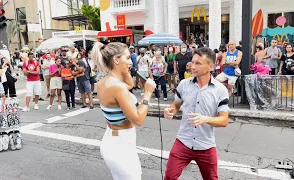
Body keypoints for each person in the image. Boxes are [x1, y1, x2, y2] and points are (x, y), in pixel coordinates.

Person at [91, 42, 156, 180]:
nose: (130, 61)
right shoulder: (118, 87)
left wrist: (125, 69)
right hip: (120, 146)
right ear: (116, 59)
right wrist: (147, 95)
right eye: (127, 58)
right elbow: (138, 120)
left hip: (114, 140)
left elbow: (130, 85)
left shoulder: (104, 82)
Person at [164, 47, 230, 180]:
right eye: (192, 62)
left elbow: (224, 120)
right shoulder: (183, 84)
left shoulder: (220, 90)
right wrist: (171, 110)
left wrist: (205, 119)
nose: (192, 66)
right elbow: (176, 104)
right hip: (183, 141)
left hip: (205, 145)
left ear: (210, 67)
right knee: (169, 177)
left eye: (198, 63)